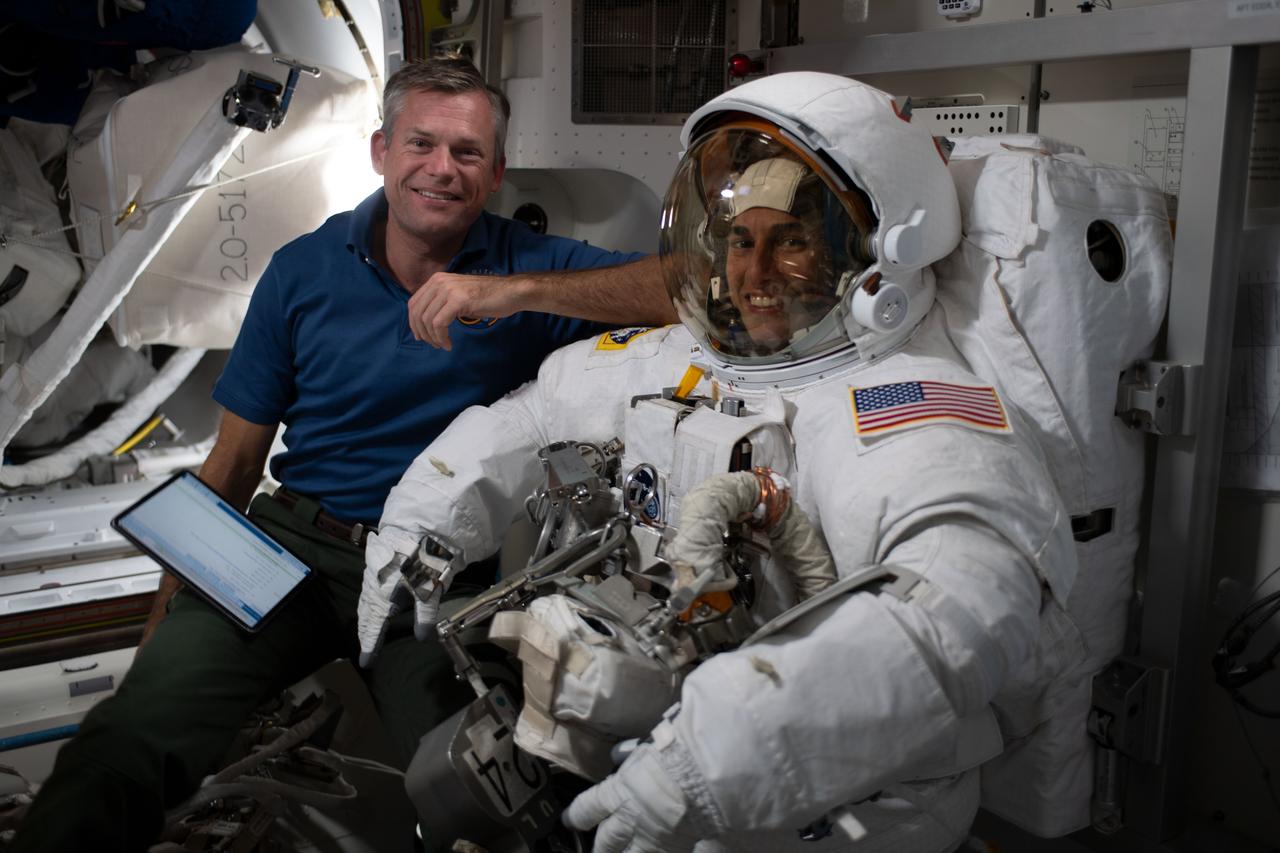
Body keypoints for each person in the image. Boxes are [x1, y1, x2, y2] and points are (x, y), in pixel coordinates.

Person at [360, 72, 1081, 852]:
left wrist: (713, 762)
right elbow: (531, 416)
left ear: (877, 254)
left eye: (794, 241)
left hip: (853, 801)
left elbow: (959, 609)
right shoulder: (686, 357)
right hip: (681, 739)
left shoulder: (905, 400)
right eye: (741, 239)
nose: (754, 271)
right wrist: (419, 537)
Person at [9, 58, 672, 852]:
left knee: (496, 793)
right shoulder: (302, 271)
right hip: (289, 548)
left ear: (496, 173)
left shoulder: (526, 268)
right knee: (127, 741)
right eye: (421, 144)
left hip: (431, 581)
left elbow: (682, 290)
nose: (441, 168)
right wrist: (168, 626)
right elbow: (231, 466)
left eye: (466, 153)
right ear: (381, 151)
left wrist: (510, 294)